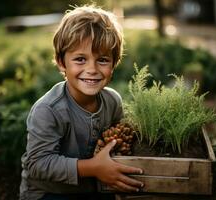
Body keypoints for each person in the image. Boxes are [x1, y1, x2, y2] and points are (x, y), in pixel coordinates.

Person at [19, 4, 144, 200]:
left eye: (102, 60)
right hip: (50, 193)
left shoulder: (112, 101)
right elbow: (38, 164)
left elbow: (119, 142)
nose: (92, 69)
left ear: (114, 64)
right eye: (80, 59)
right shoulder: (48, 110)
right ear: (62, 63)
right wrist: (93, 168)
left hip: (96, 187)